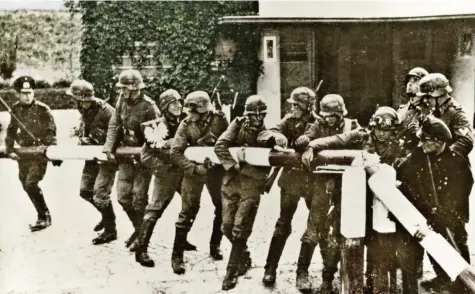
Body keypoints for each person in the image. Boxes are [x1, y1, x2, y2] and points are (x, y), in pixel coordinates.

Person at [301, 106, 404, 293]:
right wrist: (311, 146)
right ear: (373, 126)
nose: (382, 134)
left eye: (387, 130)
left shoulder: (399, 145)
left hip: (380, 201)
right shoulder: (360, 136)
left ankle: (373, 282)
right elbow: (333, 140)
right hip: (354, 196)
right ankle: (328, 278)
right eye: (379, 129)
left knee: (377, 240)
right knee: (339, 236)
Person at [397, 115, 473, 293]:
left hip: (450, 217)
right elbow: (402, 172)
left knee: (458, 258)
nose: (421, 144)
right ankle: (443, 280)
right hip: (426, 215)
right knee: (434, 254)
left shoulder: (457, 161)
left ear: (439, 142)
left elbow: (460, 193)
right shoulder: (420, 154)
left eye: (426, 140)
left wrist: (443, 214)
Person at [292, 94, 360, 292]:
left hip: (345, 185)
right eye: (325, 115)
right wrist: (304, 141)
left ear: (340, 113)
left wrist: (314, 144)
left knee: (338, 232)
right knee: (313, 227)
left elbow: (342, 139)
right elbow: (302, 142)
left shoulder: (352, 126)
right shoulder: (317, 125)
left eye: (332, 115)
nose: (328, 119)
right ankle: (301, 272)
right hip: (321, 184)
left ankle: (328, 278)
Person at [257, 87, 318, 287]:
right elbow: (266, 132)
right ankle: (270, 269)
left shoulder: (319, 122)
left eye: (296, 105)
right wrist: (275, 136)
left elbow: (322, 137)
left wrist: (310, 143)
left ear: (307, 106)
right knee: (283, 224)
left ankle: (303, 272)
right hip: (291, 181)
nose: (291, 107)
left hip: (313, 181)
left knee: (315, 225)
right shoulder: (289, 121)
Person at [133, 89, 195, 267]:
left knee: (189, 206)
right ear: (164, 107)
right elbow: (145, 156)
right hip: (166, 173)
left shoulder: (187, 122)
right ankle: (141, 249)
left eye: (179, 102)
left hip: (183, 171)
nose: (178, 105)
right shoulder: (155, 127)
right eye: (172, 103)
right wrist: (162, 168)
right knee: (155, 209)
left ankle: (182, 242)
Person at [215, 95, 271, 290]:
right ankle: (243, 255)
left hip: (252, 184)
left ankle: (231, 272)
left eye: (261, 114)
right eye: (252, 114)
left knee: (240, 227)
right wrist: (234, 165)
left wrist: (249, 161)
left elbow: (270, 161)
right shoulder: (237, 125)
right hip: (231, 180)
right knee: (226, 226)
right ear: (246, 113)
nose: (257, 117)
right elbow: (220, 146)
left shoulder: (268, 133)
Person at [170, 90, 228, 274]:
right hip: (193, 172)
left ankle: (215, 244)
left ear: (205, 111)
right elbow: (175, 153)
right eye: (189, 112)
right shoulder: (185, 125)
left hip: (216, 172)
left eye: (194, 112)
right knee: (188, 210)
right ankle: (177, 255)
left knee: (222, 207)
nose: (190, 116)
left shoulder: (219, 120)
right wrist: (195, 169)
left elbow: (228, 142)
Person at [102, 69, 160, 249]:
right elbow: (115, 125)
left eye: (125, 88)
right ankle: (138, 228)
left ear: (135, 88)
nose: (122, 91)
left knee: (139, 199)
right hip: (126, 155)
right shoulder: (121, 101)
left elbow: (157, 136)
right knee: (122, 196)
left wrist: (148, 154)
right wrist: (109, 147)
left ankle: (142, 237)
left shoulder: (149, 107)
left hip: (143, 158)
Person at [5, 76, 61, 232]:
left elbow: (51, 131)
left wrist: (52, 150)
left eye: (30, 92)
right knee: (24, 182)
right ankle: (42, 213)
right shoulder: (15, 109)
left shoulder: (43, 109)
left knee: (31, 183)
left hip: (39, 153)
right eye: (23, 93)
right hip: (24, 153)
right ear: (18, 94)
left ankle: (44, 216)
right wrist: (10, 149)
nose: (27, 96)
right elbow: (11, 130)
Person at [67, 79, 118, 245]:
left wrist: (100, 142)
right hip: (91, 158)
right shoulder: (84, 110)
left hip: (106, 159)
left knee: (100, 195)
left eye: (75, 99)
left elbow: (117, 133)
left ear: (82, 98)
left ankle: (111, 229)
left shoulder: (106, 111)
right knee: (85, 191)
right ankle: (106, 215)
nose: (74, 102)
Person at [416, 73, 473, 158]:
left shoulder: (457, 114)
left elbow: (466, 141)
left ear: (437, 95)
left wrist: (445, 157)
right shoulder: (431, 111)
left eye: (427, 97)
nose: (425, 101)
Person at [397, 67, 429, 153]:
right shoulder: (401, 110)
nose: (409, 84)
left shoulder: (429, 111)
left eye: (415, 80)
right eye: (409, 80)